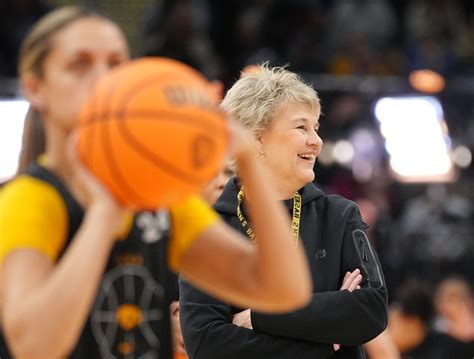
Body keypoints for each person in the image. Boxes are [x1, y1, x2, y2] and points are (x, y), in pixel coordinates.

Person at [0, 7, 312, 359]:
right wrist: (105, 212)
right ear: (35, 88)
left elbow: (284, 291)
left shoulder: (161, 198)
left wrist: (249, 165)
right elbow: (33, 346)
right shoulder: (29, 199)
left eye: (115, 64)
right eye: (80, 65)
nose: (102, 77)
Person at [179, 65, 388, 359]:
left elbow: (371, 310)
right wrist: (327, 339)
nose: (316, 141)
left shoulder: (340, 215)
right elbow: (207, 345)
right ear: (256, 137)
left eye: (316, 127)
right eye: (301, 127)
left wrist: (258, 318)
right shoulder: (207, 228)